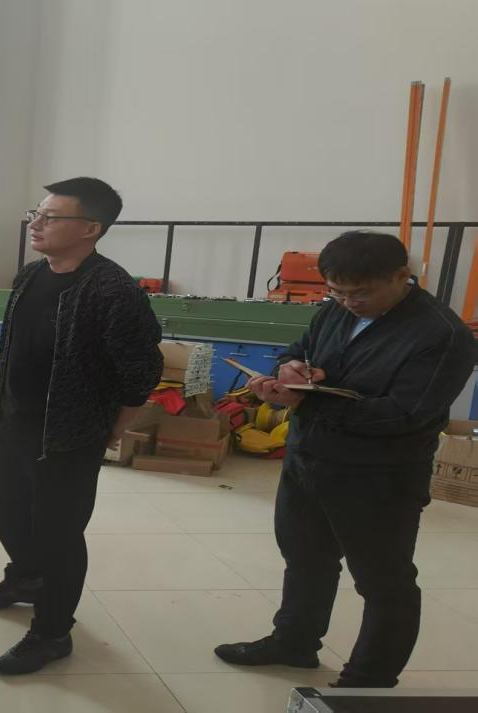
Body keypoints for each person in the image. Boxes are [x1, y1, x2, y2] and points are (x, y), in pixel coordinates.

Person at [215, 231, 475, 688]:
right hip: (308, 458)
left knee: (383, 580)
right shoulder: (336, 309)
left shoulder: (442, 334)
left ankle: (368, 682)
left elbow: (407, 414)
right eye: (337, 291)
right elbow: (300, 349)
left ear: (401, 276)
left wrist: (307, 403)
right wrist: (289, 369)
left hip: (378, 476)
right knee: (305, 558)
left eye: (361, 293)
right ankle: (294, 643)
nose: (349, 302)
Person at [0, 177, 163, 675]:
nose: (36, 223)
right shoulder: (31, 275)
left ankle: (52, 632)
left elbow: (141, 372)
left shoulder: (113, 290)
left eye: (51, 217)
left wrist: (113, 430)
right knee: (3, 509)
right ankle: (26, 579)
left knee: (59, 535)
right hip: (16, 421)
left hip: (70, 434)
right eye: (36, 213)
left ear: (90, 228)